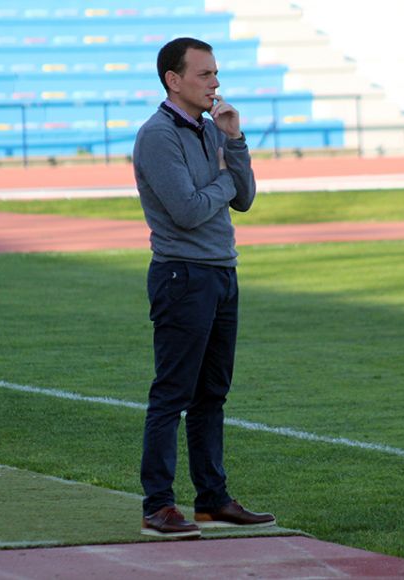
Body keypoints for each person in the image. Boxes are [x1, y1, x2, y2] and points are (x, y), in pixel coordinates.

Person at [133, 37, 276, 539]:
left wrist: (233, 143)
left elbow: (246, 198)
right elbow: (189, 210)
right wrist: (222, 184)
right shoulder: (157, 135)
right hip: (182, 276)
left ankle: (212, 501)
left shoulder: (212, 129)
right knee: (172, 393)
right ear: (174, 80)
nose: (215, 83)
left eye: (216, 74)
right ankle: (158, 504)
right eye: (205, 75)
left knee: (212, 394)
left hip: (221, 272)